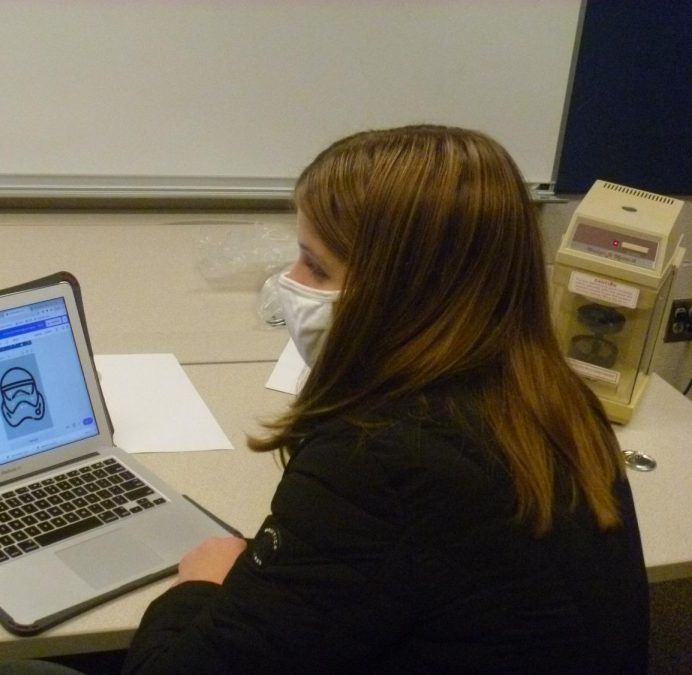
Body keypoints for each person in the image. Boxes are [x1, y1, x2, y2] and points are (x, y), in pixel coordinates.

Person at [120, 126, 650, 673]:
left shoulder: (379, 461)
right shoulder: (553, 398)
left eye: (317, 266)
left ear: (404, 293)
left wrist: (200, 585)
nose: (288, 282)